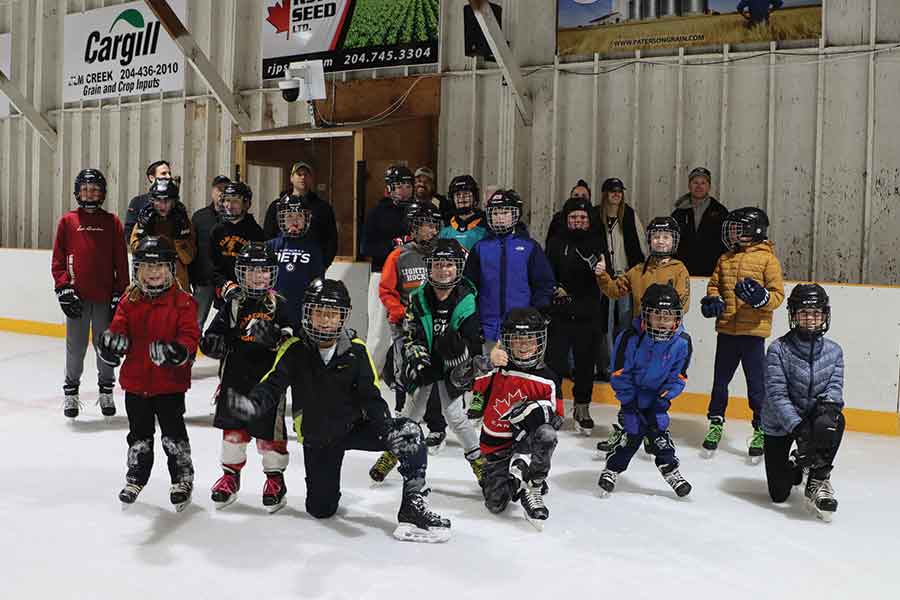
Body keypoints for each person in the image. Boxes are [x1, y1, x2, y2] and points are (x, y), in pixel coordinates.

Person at [224, 278, 451, 543]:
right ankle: (326, 489)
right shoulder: (295, 349)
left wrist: (386, 429)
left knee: (409, 432)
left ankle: (413, 506)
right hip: (318, 437)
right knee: (321, 509)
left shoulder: (356, 350)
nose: (325, 320)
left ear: (343, 316)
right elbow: (272, 385)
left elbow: (372, 397)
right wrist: (252, 405)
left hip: (353, 429)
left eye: (332, 314)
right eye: (318, 312)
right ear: (307, 313)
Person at [369, 239, 485, 485]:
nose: (444, 270)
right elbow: (411, 330)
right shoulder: (419, 296)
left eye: (450, 265)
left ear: (458, 268)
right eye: (438, 264)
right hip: (427, 364)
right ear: (429, 267)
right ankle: (392, 453)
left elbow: (474, 344)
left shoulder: (467, 299)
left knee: (455, 416)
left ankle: (478, 461)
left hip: (453, 368)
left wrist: (460, 358)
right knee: (411, 413)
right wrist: (415, 353)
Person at [98, 236, 199, 511]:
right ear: (137, 270)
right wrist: (109, 344)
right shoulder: (129, 301)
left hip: (169, 385)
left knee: (173, 435)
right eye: (146, 267)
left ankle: (182, 476)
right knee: (139, 435)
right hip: (136, 383)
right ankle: (136, 475)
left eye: (159, 267)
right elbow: (118, 329)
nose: (153, 273)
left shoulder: (184, 302)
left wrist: (177, 352)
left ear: (171, 268)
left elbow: (190, 337)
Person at [201, 243, 295, 512]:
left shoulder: (280, 305)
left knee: (270, 435)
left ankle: (275, 478)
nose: (258, 276)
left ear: (272, 274)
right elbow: (213, 333)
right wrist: (212, 343)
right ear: (241, 274)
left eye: (264, 271)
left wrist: (276, 337)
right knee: (234, 431)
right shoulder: (233, 305)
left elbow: (293, 338)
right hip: (236, 378)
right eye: (252, 271)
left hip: (268, 383)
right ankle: (230, 476)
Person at [594, 216, 691, 451]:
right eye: (656, 237)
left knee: (658, 386)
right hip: (641, 336)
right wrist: (602, 275)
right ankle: (625, 430)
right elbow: (615, 290)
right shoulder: (638, 270)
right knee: (632, 383)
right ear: (649, 240)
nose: (660, 241)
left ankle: (654, 432)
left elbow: (684, 303)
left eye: (666, 237)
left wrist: (665, 317)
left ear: (673, 241)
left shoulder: (679, 269)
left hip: (667, 338)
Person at [700, 206, 785, 460]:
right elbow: (714, 284)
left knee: (757, 386)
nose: (732, 233)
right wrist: (712, 300)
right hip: (727, 331)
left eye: (737, 228)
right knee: (719, 382)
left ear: (754, 230)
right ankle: (715, 423)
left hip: (753, 333)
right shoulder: (725, 258)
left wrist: (762, 298)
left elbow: (778, 295)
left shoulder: (768, 259)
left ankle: (760, 428)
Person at [467, 308, 561, 527]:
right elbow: (458, 380)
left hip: (524, 444)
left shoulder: (548, 378)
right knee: (496, 504)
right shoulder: (497, 368)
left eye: (529, 339)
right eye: (517, 340)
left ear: (540, 341)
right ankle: (517, 478)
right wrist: (487, 361)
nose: (524, 346)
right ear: (506, 341)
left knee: (546, 430)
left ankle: (533, 483)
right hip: (495, 450)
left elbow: (555, 420)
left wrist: (530, 414)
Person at [597, 284, 693, 498]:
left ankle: (670, 470)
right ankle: (612, 468)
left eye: (667, 316)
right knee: (632, 433)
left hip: (657, 398)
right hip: (633, 396)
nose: (662, 320)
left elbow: (679, 376)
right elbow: (620, 372)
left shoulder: (682, 342)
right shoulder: (629, 337)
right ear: (645, 315)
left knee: (659, 433)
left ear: (677, 317)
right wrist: (629, 404)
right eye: (656, 315)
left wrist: (664, 399)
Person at [51, 169, 130, 420]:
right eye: (85, 189)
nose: (90, 193)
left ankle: (106, 390)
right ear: (77, 191)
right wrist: (63, 288)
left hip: (105, 299)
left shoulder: (113, 222)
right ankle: (71, 392)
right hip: (77, 299)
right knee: (75, 349)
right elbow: (58, 262)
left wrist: (120, 294)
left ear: (103, 193)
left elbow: (121, 262)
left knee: (104, 346)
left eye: (95, 189)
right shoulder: (68, 221)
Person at [762, 284, 844, 521]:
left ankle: (818, 478)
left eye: (816, 313)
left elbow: (834, 389)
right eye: (804, 313)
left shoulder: (834, 351)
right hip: (780, 423)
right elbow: (777, 395)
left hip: (813, 419)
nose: (810, 319)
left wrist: (825, 415)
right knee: (778, 494)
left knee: (834, 420)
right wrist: (799, 430)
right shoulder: (778, 349)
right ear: (794, 315)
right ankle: (797, 463)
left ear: (824, 315)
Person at [544, 196, 607, 435]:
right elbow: (546, 274)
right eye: (573, 217)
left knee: (585, 364)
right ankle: (554, 407)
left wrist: (602, 272)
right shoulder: (555, 242)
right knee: (555, 363)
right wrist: (554, 289)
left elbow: (606, 277)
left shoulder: (597, 242)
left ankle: (582, 408)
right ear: (566, 219)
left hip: (587, 314)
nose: (578, 221)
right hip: (560, 313)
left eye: (582, 217)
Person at [464, 189, 556, 346]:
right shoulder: (480, 248)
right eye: (495, 212)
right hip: (487, 329)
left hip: (522, 330)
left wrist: (536, 315)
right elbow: (468, 287)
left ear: (515, 214)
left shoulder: (530, 247)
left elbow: (544, 284)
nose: (499, 217)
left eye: (505, 212)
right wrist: (473, 320)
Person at [378, 203, 442, 418]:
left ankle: (433, 417)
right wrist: (398, 312)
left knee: (434, 367)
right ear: (414, 228)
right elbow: (386, 290)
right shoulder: (398, 255)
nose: (432, 231)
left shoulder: (443, 255)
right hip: (404, 322)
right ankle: (400, 409)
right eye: (427, 226)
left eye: (435, 226)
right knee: (402, 364)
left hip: (432, 322)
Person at [362, 165, 415, 379]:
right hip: (382, 276)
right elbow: (366, 247)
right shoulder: (378, 213)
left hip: (413, 276)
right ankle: (365, 381)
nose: (403, 190)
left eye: (407, 185)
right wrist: (395, 246)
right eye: (398, 186)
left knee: (414, 332)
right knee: (378, 335)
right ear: (389, 188)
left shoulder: (419, 210)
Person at [596, 177, 647, 357]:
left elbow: (641, 244)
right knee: (605, 324)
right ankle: (608, 363)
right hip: (603, 279)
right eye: (612, 191)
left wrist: (639, 271)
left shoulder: (630, 215)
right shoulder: (596, 215)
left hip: (625, 276)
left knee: (626, 322)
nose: (617, 194)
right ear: (605, 194)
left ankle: (624, 361)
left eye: (619, 191)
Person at [263, 161, 338, 270]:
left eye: (306, 174)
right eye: (299, 174)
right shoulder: (277, 206)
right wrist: (271, 262)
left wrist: (323, 264)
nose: (303, 177)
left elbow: (331, 239)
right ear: (291, 178)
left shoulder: (323, 207)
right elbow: (268, 234)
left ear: (311, 179)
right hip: (281, 262)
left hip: (311, 262)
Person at [265, 194, 325, 330]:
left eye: (299, 216)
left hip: (300, 311)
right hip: (274, 310)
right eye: (289, 216)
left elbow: (318, 280)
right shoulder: (271, 246)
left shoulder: (313, 248)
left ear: (306, 219)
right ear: (282, 219)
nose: (294, 221)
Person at [130, 179, 196, 292]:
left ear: (174, 202)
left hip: (176, 283)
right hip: (148, 280)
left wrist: (179, 239)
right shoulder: (145, 219)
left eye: (167, 201)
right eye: (158, 201)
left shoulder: (183, 221)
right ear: (152, 201)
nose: (163, 205)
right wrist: (144, 234)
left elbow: (188, 259)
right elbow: (135, 252)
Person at [210, 181, 265, 304]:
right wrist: (225, 284)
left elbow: (261, 267)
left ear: (246, 203)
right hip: (225, 293)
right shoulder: (217, 231)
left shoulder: (256, 233)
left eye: (235, 201)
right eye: (226, 200)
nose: (229, 206)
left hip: (250, 293)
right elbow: (212, 265)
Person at [672, 167, 728, 276]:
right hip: (683, 272)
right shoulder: (678, 213)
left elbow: (727, 243)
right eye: (695, 182)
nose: (699, 186)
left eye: (703, 183)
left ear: (709, 186)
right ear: (689, 185)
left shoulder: (720, 211)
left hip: (712, 272)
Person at [190, 175, 229, 329]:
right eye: (218, 189)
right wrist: (193, 277)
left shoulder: (234, 218)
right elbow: (192, 249)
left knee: (227, 322)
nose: (221, 193)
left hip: (226, 281)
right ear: (212, 191)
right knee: (195, 323)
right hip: (203, 280)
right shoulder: (199, 217)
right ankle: (189, 352)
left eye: (225, 190)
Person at [124, 160, 171, 241]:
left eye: (169, 173)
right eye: (163, 173)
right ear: (152, 178)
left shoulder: (175, 204)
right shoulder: (137, 202)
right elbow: (129, 233)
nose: (168, 177)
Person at [439, 174, 488, 251]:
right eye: (458, 195)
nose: (462, 198)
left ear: (475, 197)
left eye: (466, 194)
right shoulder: (445, 229)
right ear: (452, 199)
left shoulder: (486, 226)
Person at [544, 179, 593, 247]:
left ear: (589, 198)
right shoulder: (558, 218)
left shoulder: (595, 217)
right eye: (576, 195)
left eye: (583, 196)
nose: (579, 198)